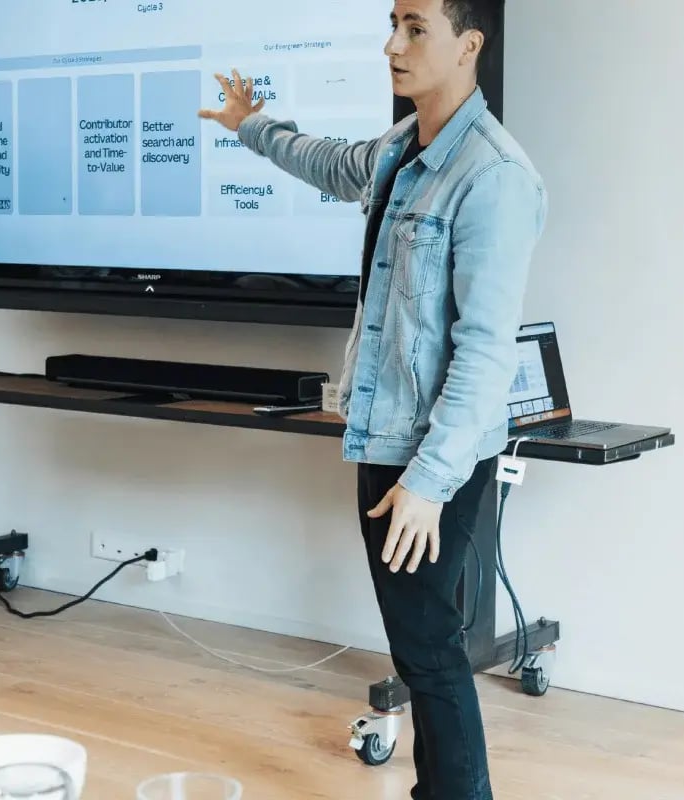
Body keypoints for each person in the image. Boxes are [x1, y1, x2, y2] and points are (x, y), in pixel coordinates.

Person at [199, 1, 546, 797]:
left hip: (429, 461)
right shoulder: (401, 147)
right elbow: (328, 160)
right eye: (392, 23)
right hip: (382, 437)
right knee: (420, 644)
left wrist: (426, 483)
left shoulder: (494, 177)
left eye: (416, 27)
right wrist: (251, 124)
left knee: (428, 648)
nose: (392, 44)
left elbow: (487, 352)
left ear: (469, 45)